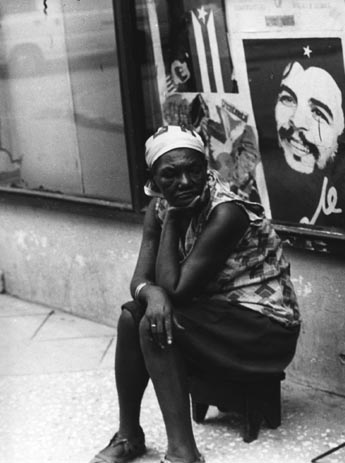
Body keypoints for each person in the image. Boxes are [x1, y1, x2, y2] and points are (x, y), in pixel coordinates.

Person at [90, 125, 300, 463]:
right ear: (154, 179)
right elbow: (141, 279)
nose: (185, 182)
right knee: (132, 317)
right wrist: (150, 294)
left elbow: (177, 291)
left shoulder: (226, 212)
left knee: (152, 323)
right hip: (217, 314)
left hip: (265, 328)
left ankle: (182, 453)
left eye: (194, 169)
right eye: (170, 174)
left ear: (207, 167)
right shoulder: (159, 203)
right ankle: (129, 434)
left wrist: (172, 220)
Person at [259, 58, 345, 230]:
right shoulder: (259, 178)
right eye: (288, 99)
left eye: (318, 112)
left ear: (340, 130)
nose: (297, 121)